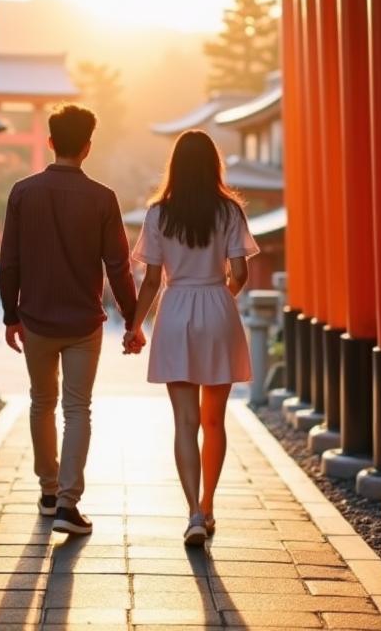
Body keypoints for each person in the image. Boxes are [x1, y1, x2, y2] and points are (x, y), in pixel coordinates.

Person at [0, 103, 137, 536]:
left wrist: (9, 314)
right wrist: (133, 320)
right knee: (78, 409)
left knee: (42, 402)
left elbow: (9, 261)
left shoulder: (22, 192)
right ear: (88, 147)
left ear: (51, 142)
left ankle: (47, 489)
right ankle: (67, 504)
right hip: (83, 322)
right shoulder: (103, 198)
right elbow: (118, 266)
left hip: (35, 317)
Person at [125, 129, 258, 546]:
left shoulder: (158, 214)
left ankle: (194, 514)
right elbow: (240, 273)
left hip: (177, 307)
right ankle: (210, 503)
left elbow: (149, 281)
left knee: (185, 421)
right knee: (214, 419)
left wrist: (134, 326)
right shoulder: (229, 211)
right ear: (213, 165)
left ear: (175, 167)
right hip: (217, 307)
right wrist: (221, 297)